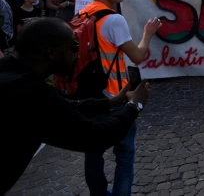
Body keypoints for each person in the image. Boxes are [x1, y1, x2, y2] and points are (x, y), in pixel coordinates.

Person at [0, 17, 150, 195]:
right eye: (74, 47)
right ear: (51, 53)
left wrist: (112, 101)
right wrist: (134, 105)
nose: (77, 55)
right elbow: (95, 137)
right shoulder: (31, 92)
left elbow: (64, 106)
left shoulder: (12, 74)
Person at [82, 0, 162, 196]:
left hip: (90, 95)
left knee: (93, 154)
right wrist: (148, 33)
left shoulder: (85, 12)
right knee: (125, 155)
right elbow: (137, 56)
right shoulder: (113, 19)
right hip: (115, 95)